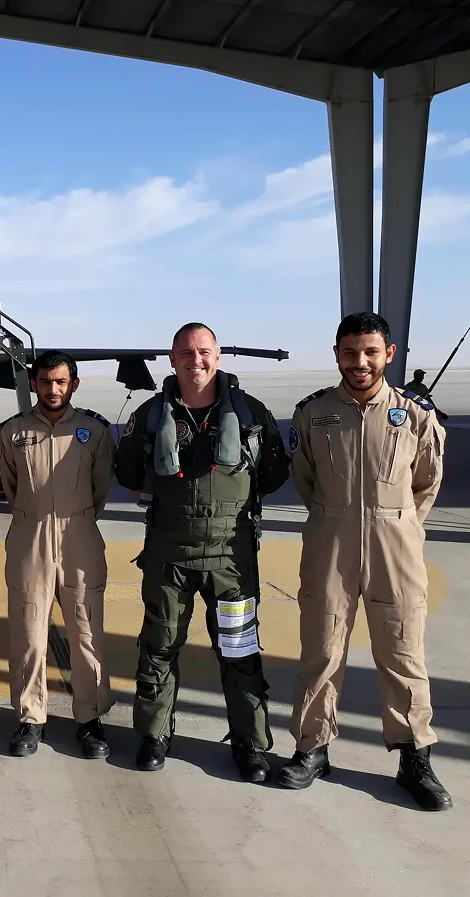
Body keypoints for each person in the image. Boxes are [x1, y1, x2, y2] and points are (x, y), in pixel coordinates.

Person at [278, 311, 452, 811]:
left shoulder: (414, 414)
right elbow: (305, 479)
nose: (360, 362)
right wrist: (338, 519)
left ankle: (413, 755)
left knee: (403, 653)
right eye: (350, 352)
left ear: (388, 355)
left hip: (395, 548)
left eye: (370, 352)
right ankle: (312, 747)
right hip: (331, 544)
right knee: (321, 649)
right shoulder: (313, 414)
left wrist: (397, 525)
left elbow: (427, 482)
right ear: (337, 355)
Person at [114, 322, 290, 780]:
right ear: (172, 360)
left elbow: (272, 473)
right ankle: (154, 735)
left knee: (239, 650)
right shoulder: (151, 416)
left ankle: (251, 744)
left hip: (231, 561)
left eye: (205, 351)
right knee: (159, 646)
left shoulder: (251, 414)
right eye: (187, 352)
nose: (197, 360)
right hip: (169, 557)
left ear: (218, 356)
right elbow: (129, 470)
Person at [0, 350, 116, 759]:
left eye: (61, 382)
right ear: (34, 384)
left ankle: (90, 718)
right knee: (29, 635)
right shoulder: (12, 433)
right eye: (45, 381)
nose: (53, 389)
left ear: (74, 385)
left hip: (79, 533)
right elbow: (11, 485)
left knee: (86, 634)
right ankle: (31, 718)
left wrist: (73, 519)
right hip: (30, 535)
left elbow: (101, 487)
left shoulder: (93, 431)